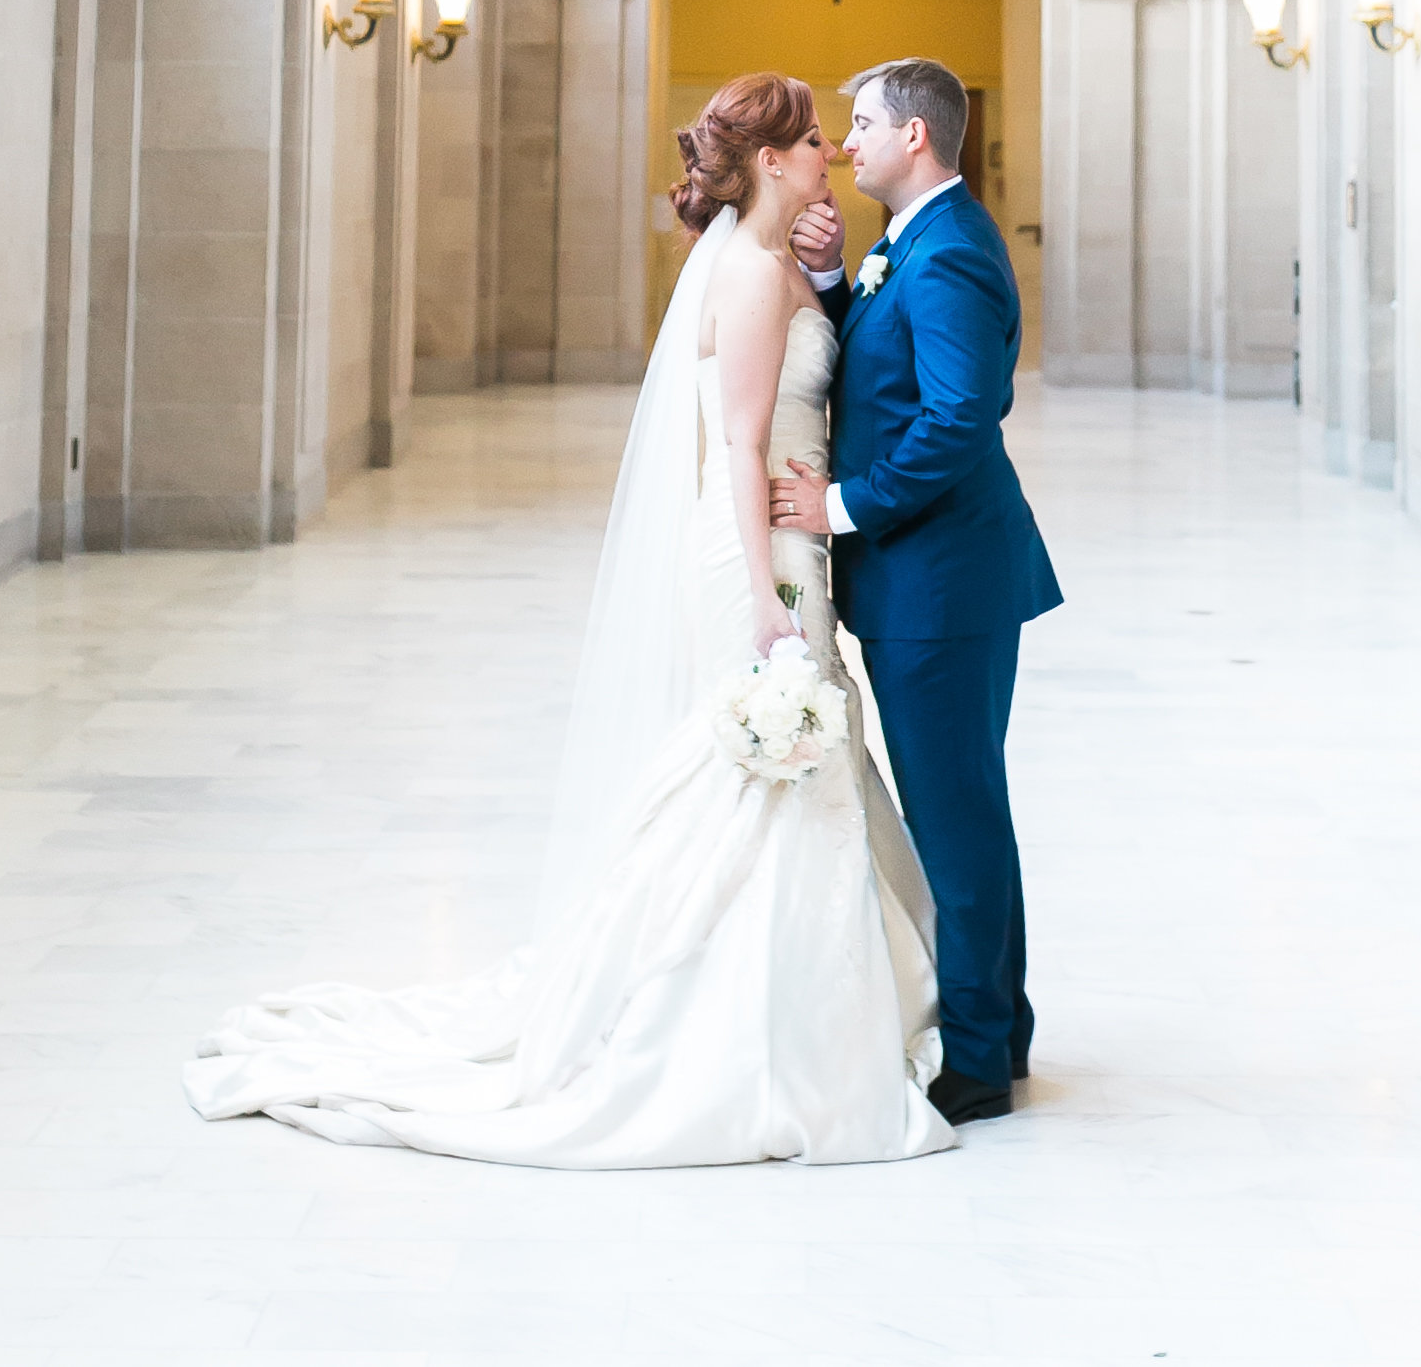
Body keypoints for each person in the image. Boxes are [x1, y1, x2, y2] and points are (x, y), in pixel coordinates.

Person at [184, 72, 952, 1166]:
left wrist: (824, 284)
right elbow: (735, 443)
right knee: (767, 768)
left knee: (793, 769)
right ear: (774, 160)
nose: (830, 151)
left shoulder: (779, 267)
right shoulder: (741, 274)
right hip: (756, 552)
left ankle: (811, 1005)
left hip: (788, 543)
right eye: (814, 139)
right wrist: (760, 597)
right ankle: (737, 1022)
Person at [776, 55, 1062, 1124]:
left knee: (956, 817)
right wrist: (842, 280)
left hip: (943, 584)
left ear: (915, 138)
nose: (845, 142)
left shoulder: (949, 256)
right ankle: (1002, 1026)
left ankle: (980, 1057)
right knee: (965, 809)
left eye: (860, 123)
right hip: (930, 579)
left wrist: (841, 506)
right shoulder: (916, 240)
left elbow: (956, 416)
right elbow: (887, 368)